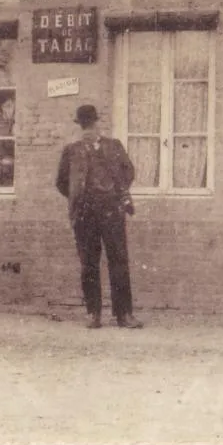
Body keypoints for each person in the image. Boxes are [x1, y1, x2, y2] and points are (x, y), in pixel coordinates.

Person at [55, 105, 143, 330]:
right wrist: (78, 198)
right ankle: (93, 313)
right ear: (79, 127)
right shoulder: (71, 151)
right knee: (88, 264)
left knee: (119, 261)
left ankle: (124, 314)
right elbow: (62, 183)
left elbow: (128, 172)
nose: (88, 130)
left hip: (111, 211)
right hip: (84, 213)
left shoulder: (113, 147)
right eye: (84, 126)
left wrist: (115, 194)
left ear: (98, 125)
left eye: (91, 125)